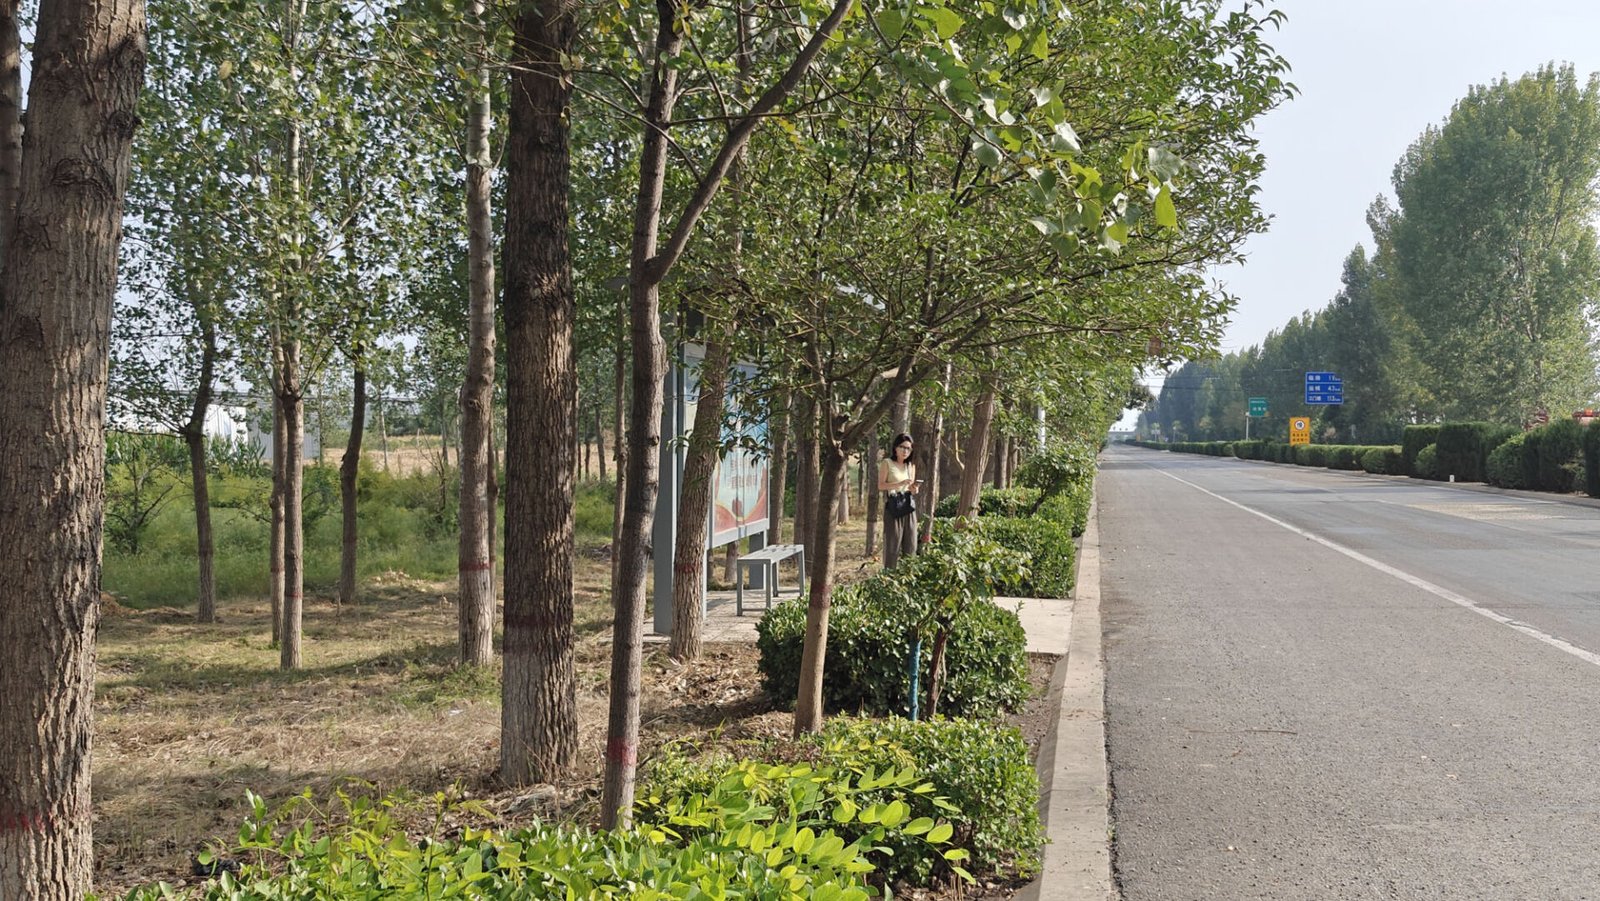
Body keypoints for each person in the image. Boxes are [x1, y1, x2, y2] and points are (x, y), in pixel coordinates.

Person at [877, 432, 919, 569]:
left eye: (908, 448)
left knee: (911, 546)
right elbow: (881, 485)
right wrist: (898, 484)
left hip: (908, 506)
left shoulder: (910, 466)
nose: (905, 451)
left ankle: (908, 580)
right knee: (892, 548)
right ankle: (889, 579)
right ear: (895, 447)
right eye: (903, 447)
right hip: (894, 506)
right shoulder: (887, 463)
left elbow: (911, 487)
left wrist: (914, 489)